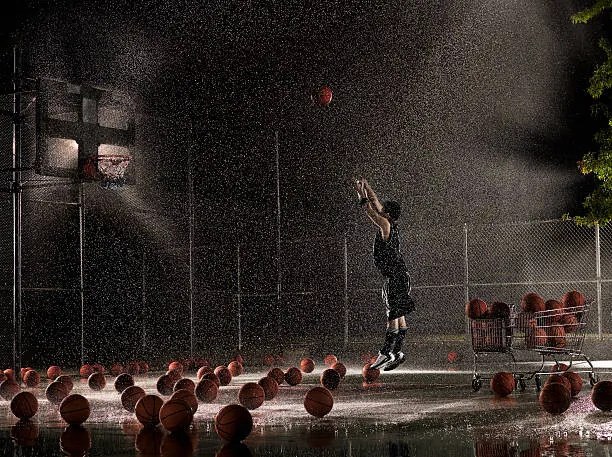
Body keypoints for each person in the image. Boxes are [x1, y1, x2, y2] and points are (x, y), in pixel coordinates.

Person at [355, 178, 414, 371]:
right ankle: (396, 352)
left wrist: (360, 195)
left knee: (393, 315)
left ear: (387, 213)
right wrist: (366, 186)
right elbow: (376, 202)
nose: (381, 210)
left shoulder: (386, 225)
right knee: (399, 315)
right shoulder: (391, 223)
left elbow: (370, 211)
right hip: (401, 275)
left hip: (395, 277)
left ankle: (384, 353)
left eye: (383, 210)